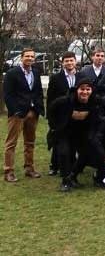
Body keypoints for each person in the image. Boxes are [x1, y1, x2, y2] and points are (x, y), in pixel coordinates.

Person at [48, 78, 99, 192]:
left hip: (81, 133)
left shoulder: (94, 101)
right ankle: (65, 181)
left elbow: (95, 118)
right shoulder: (66, 101)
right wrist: (54, 126)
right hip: (65, 132)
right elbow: (51, 108)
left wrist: (91, 134)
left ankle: (73, 177)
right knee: (64, 153)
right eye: (82, 89)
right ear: (77, 90)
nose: (85, 92)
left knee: (86, 153)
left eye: (88, 89)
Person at [3, 48, 45, 182]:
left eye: (32, 56)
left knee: (30, 142)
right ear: (21, 57)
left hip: (33, 112)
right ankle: (8, 171)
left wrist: (38, 108)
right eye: (27, 56)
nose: (30, 58)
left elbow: (38, 92)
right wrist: (15, 111)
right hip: (18, 114)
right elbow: (8, 95)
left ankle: (29, 168)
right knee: (11, 143)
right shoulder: (12, 73)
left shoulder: (36, 72)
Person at [46, 52, 79, 176]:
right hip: (60, 115)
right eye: (67, 61)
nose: (69, 63)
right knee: (58, 141)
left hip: (76, 115)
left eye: (71, 60)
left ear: (75, 61)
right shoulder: (55, 78)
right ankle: (54, 165)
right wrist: (50, 118)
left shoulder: (81, 76)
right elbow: (50, 99)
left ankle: (71, 164)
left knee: (72, 141)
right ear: (62, 63)